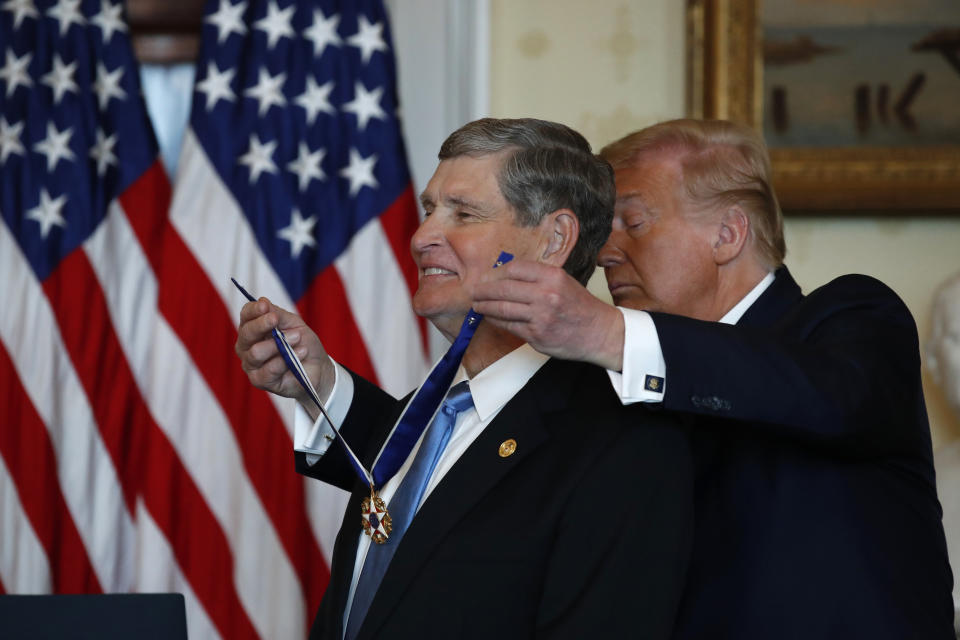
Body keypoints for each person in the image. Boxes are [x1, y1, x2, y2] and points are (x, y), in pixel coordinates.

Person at [471, 118, 955, 639]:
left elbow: (830, 398)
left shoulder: (851, 316)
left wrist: (606, 332)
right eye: (603, 231)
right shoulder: (613, 378)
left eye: (631, 223)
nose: (606, 252)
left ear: (727, 235)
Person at [235, 118, 694, 640]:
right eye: (430, 210)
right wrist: (316, 382)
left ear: (554, 240)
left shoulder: (624, 446)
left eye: (464, 213)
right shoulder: (425, 414)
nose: (422, 236)